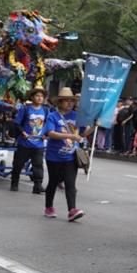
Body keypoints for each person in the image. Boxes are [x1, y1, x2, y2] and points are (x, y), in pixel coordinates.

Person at [43, 87, 85, 222]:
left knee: (70, 183)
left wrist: (94, 126)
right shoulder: (52, 116)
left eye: (71, 101)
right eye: (66, 101)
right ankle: (49, 207)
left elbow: (82, 134)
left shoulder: (77, 116)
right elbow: (50, 133)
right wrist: (71, 136)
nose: (69, 103)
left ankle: (72, 210)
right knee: (53, 182)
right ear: (59, 102)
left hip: (71, 156)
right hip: (54, 156)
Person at [10, 86, 50, 194]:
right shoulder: (25, 108)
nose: (40, 98)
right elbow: (17, 123)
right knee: (18, 164)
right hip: (24, 143)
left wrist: (46, 134)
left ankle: (37, 186)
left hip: (38, 144)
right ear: (32, 97)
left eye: (42, 96)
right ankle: (14, 183)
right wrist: (23, 133)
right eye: (37, 96)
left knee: (38, 166)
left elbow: (48, 124)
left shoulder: (46, 110)